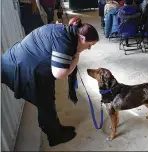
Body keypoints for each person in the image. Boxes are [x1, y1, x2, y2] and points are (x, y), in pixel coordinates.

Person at [1, 17, 99, 147]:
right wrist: (77, 55)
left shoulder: (66, 31)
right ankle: (55, 137)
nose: (89, 48)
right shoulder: (65, 41)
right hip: (19, 68)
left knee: (48, 99)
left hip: (21, 61)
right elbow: (60, 74)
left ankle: (56, 128)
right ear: (82, 38)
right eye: (89, 45)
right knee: (45, 103)